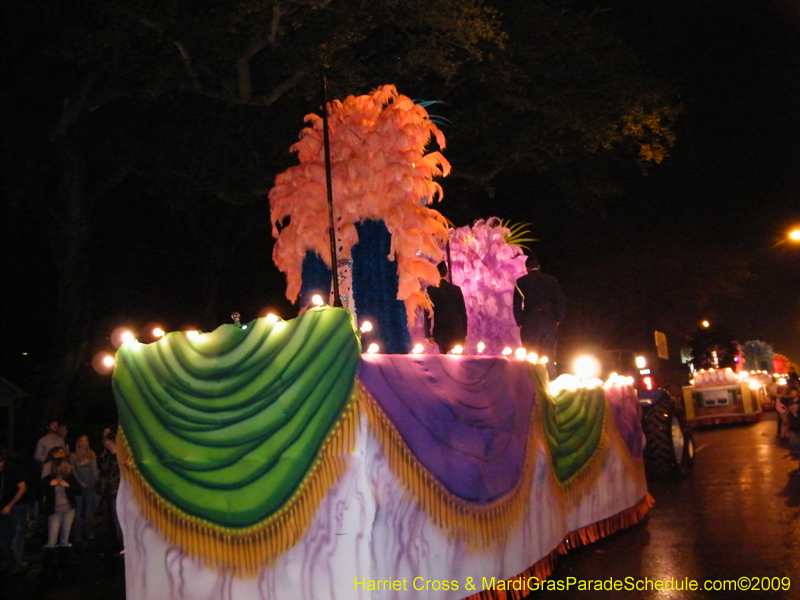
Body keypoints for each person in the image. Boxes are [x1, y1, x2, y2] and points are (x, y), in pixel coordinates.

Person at [513, 254, 566, 378]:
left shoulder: (521, 282)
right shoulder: (551, 280)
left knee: (531, 357)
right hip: (549, 322)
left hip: (530, 323)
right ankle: (551, 385)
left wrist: (520, 322)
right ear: (539, 266)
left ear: (526, 268)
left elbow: (517, 305)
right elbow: (560, 301)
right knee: (548, 356)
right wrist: (558, 319)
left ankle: (532, 387)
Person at [423, 262, 468, 354]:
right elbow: (463, 313)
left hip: (441, 330)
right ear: (446, 273)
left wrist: (427, 334)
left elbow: (427, 313)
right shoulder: (456, 289)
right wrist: (464, 333)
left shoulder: (429, 290)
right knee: (459, 359)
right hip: (457, 329)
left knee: (444, 360)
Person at [40, 458, 81, 553]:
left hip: (68, 510)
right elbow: (38, 493)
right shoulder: (48, 479)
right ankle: (49, 557)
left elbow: (79, 490)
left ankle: (63, 557)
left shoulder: (69, 477)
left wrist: (68, 486)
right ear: (57, 468)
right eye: (63, 465)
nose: (66, 467)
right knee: (52, 539)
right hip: (55, 511)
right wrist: (50, 486)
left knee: (65, 537)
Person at [0, 451, 29, 576]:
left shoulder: (12, 469)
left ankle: (16, 564)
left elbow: (22, 487)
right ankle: (8, 562)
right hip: (3, 506)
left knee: (16, 536)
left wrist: (10, 505)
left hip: (17, 506)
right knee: (4, 536)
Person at [70, 435, 99, 542]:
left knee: (88, 510)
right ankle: (77, 534)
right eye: (82, 441)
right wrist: (79, 482)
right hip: (79, 486)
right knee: (78, 510)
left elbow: (94, 470)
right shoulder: (74, 456)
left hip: (90, 486)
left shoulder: (92, 454)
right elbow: (73, 471)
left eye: (86, 440)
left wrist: (95, 481)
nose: (84, 443)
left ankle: (88, 532)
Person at [98, 432, 122, 554]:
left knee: (116, 516)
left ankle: (120, 542)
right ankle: (110, 542)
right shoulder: (106, 456)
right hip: (106, 491)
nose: (105, 443)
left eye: (107, 440)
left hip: (115, 490)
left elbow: (117, 474)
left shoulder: (120, 456)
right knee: (108, 518)